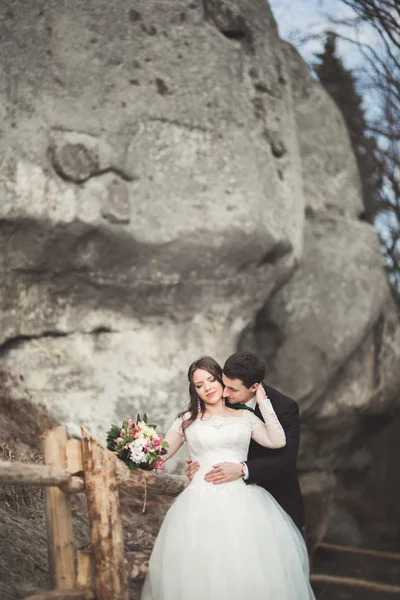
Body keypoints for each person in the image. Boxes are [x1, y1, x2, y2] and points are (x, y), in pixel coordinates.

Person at [141, 356, 314, 600]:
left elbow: (279, 444)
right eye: (199, 385)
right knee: (202, 569)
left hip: (245, 500)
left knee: (248, 568)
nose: (207, 387)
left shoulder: (246, 416)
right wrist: (136, 447)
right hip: (199, 503)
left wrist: (263, 403)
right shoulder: (187, 420)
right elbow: (159, 455)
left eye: (212, 380)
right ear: (194, 390)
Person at [186, 351, 305, 531]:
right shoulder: (223, 399)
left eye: (232, 389)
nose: (224, 393)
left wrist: (242, 469)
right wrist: (200, 462)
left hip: (276, 500)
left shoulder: (284, 407)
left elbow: (286, 461)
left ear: (254, 387)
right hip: (226, 504)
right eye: (223, 384)